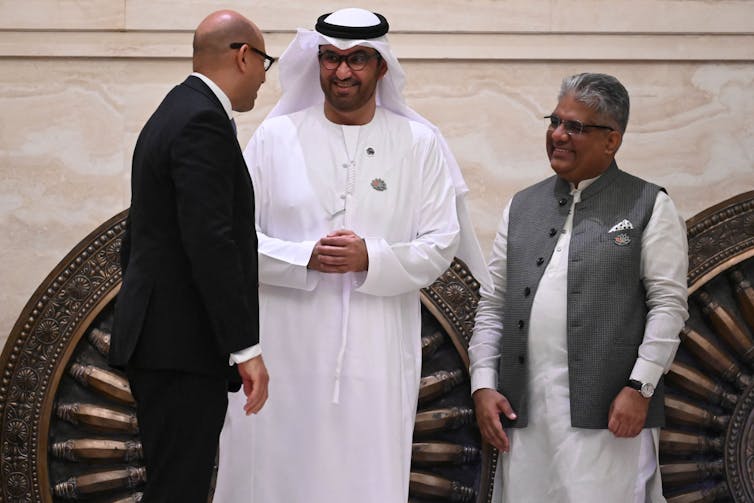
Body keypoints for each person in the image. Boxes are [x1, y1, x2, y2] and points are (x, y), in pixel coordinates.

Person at [214, 7, 489, 503]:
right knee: (276, 471)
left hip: (377, 354)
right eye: (330, 58)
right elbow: (234, 241)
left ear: (382, 66)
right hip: (282, 350)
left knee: (364, 475)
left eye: (357, 59)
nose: (342, 72)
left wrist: (371, 258)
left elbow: (441, 242)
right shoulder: (274, 140)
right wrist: (304, 257)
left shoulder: (419, 144)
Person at [469, 73, 688, 502]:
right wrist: (483, 384)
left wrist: (640, 387)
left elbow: (668, 306)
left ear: (612, 140)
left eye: (575, 127)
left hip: (610, 415)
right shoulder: (522, 205)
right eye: (555, 122)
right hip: (526, 412)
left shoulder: (649, 204)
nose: (558, 135)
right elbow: (493, 303)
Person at [109, 10, 273, 502]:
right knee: (178, 489)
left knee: (172, 484)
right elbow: (211, 242)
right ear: (244, 56)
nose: (265, 79)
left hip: (162, 342)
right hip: (180, 348)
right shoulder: (203, 120)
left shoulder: (174, 110)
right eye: (266, 63)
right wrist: (245, 347)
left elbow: (139, 237)